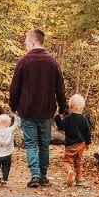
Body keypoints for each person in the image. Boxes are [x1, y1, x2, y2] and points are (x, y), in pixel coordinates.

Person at [9, 29, 67, 188]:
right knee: (44, 144)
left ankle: (34, 174)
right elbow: (60, 89)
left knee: (31, 144)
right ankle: (43, 175)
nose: (25, 45)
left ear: (34, 41)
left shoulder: (23, 62)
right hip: (47, 111)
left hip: (27, 111)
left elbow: (15, 88)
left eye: (26, 42)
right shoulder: (53, 62)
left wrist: (13, 106)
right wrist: (63, 108)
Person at [55, 94, 91, 186]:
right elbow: (88, 132)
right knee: (78, 162)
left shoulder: (67, 118)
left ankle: (70, 171)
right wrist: (87, 143)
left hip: (70, 144)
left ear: (70, 107)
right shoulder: (84, 119)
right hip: (81, 144)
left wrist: (57, 118)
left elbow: (61, 127)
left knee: (67, 161)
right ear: (82, 107)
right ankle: (79, 179)